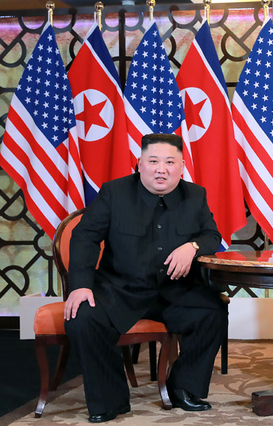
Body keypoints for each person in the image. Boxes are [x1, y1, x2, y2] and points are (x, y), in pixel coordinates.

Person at [64, 133, 227, 423]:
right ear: (139, 163)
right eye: (153, 161)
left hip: (176, 291)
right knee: (82, 317)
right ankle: (110, 400)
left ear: (181, 166)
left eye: (169, 162)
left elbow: (212, 235)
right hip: (121, 289)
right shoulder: (113, 193)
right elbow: (84, 238)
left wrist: (192, 247)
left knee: (213, 312)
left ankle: (184, 388)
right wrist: (80, 286)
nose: (161, 168)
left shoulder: (195, 195)